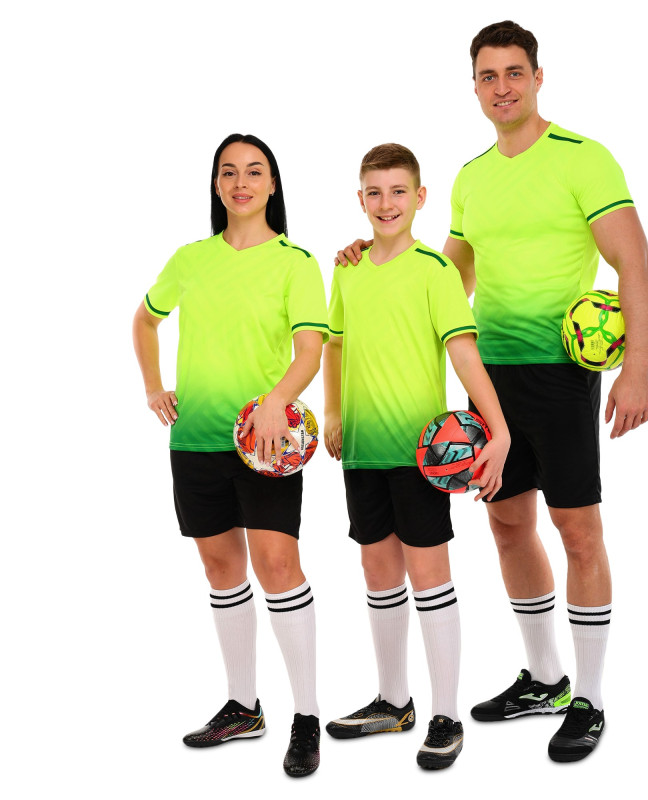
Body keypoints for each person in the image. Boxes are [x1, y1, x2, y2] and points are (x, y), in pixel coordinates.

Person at [335, 21, 648, 763]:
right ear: (475, 87)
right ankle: (544, 679)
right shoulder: (472, 176)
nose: (502, 87)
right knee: (508, 525)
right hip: (491, 377)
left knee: (579, 530)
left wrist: (637, 365)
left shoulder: (584, 157)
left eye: (515, 72)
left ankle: (590, 697)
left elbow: (635, 262)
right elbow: (447, 274)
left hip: (561, 374)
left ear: (538, 78)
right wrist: (372, 252)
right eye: (488, 76)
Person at [132, 133, 330, 778]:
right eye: (228, 172)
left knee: (278, 566)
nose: (241, 182)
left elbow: (310, 352)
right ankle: (243, 707)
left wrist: (276, 402)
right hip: (195, 439)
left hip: (265, 445)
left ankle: (306, 716)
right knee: (221, 569)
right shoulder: (191, 258)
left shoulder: (296, 262)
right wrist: (154, 387)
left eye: (254, 171)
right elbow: (144, 319)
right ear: (217, 185)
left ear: (272, 184)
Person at [323, 143, 510, 770]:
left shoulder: (436, 273)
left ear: (420, 197)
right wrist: (332, 413)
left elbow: (464, 354)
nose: (387, 203)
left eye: (398, 191)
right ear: (360, 200)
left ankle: (445, 714)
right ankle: (393, 701)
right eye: (375, 193)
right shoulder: (347, 270)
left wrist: (498, 430)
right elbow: (335, 345)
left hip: (421, 453)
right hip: (362, 451)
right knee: (378, 571)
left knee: (430, 575)